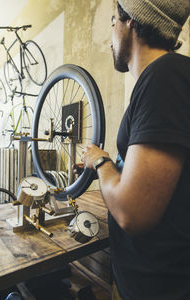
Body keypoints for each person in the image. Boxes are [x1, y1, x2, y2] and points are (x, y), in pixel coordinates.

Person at [81, 1, 190, 299]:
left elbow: (132, 212)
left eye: (113, 20)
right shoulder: (162, 80)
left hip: (159, 288)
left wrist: (101, 161)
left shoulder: (165, 77)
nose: (111, 32)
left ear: (131, 22)